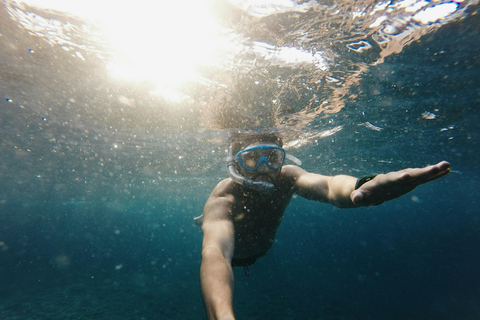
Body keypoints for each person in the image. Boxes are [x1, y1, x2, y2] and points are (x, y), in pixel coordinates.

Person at [196, 130, 450, 320]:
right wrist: (222, 315)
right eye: (251, 159)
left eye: (272, 157)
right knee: (212, 227)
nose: (265, 169)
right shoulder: (224, 197)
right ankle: (203, 220)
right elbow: (215, 253)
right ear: (235, 163)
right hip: (236, 259)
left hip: (259, 253)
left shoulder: (287, 177)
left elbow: (328, 185)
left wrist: (361, 185)